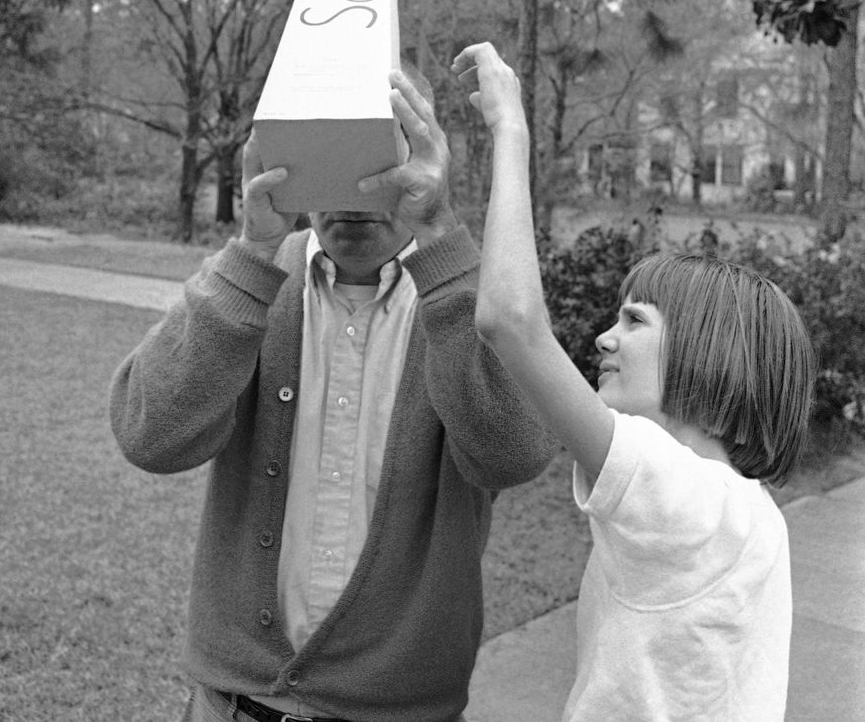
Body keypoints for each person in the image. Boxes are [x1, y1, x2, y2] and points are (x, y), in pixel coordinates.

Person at [109, 65, 556, 722]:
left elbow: (514, 454)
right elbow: (149, 435)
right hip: (232, 704)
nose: (352, 191)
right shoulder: (252, 281)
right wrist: (252, 249)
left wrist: (439, 234)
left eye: (377, 156)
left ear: (423, 155)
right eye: (328, 152)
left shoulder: (469, 297)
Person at [451, 41, 816, 722]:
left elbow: (509, 319)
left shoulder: (700, 506)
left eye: (635, 320)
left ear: (709, 350)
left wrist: (510, 132)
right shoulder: (735, 511)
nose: (604, 338)